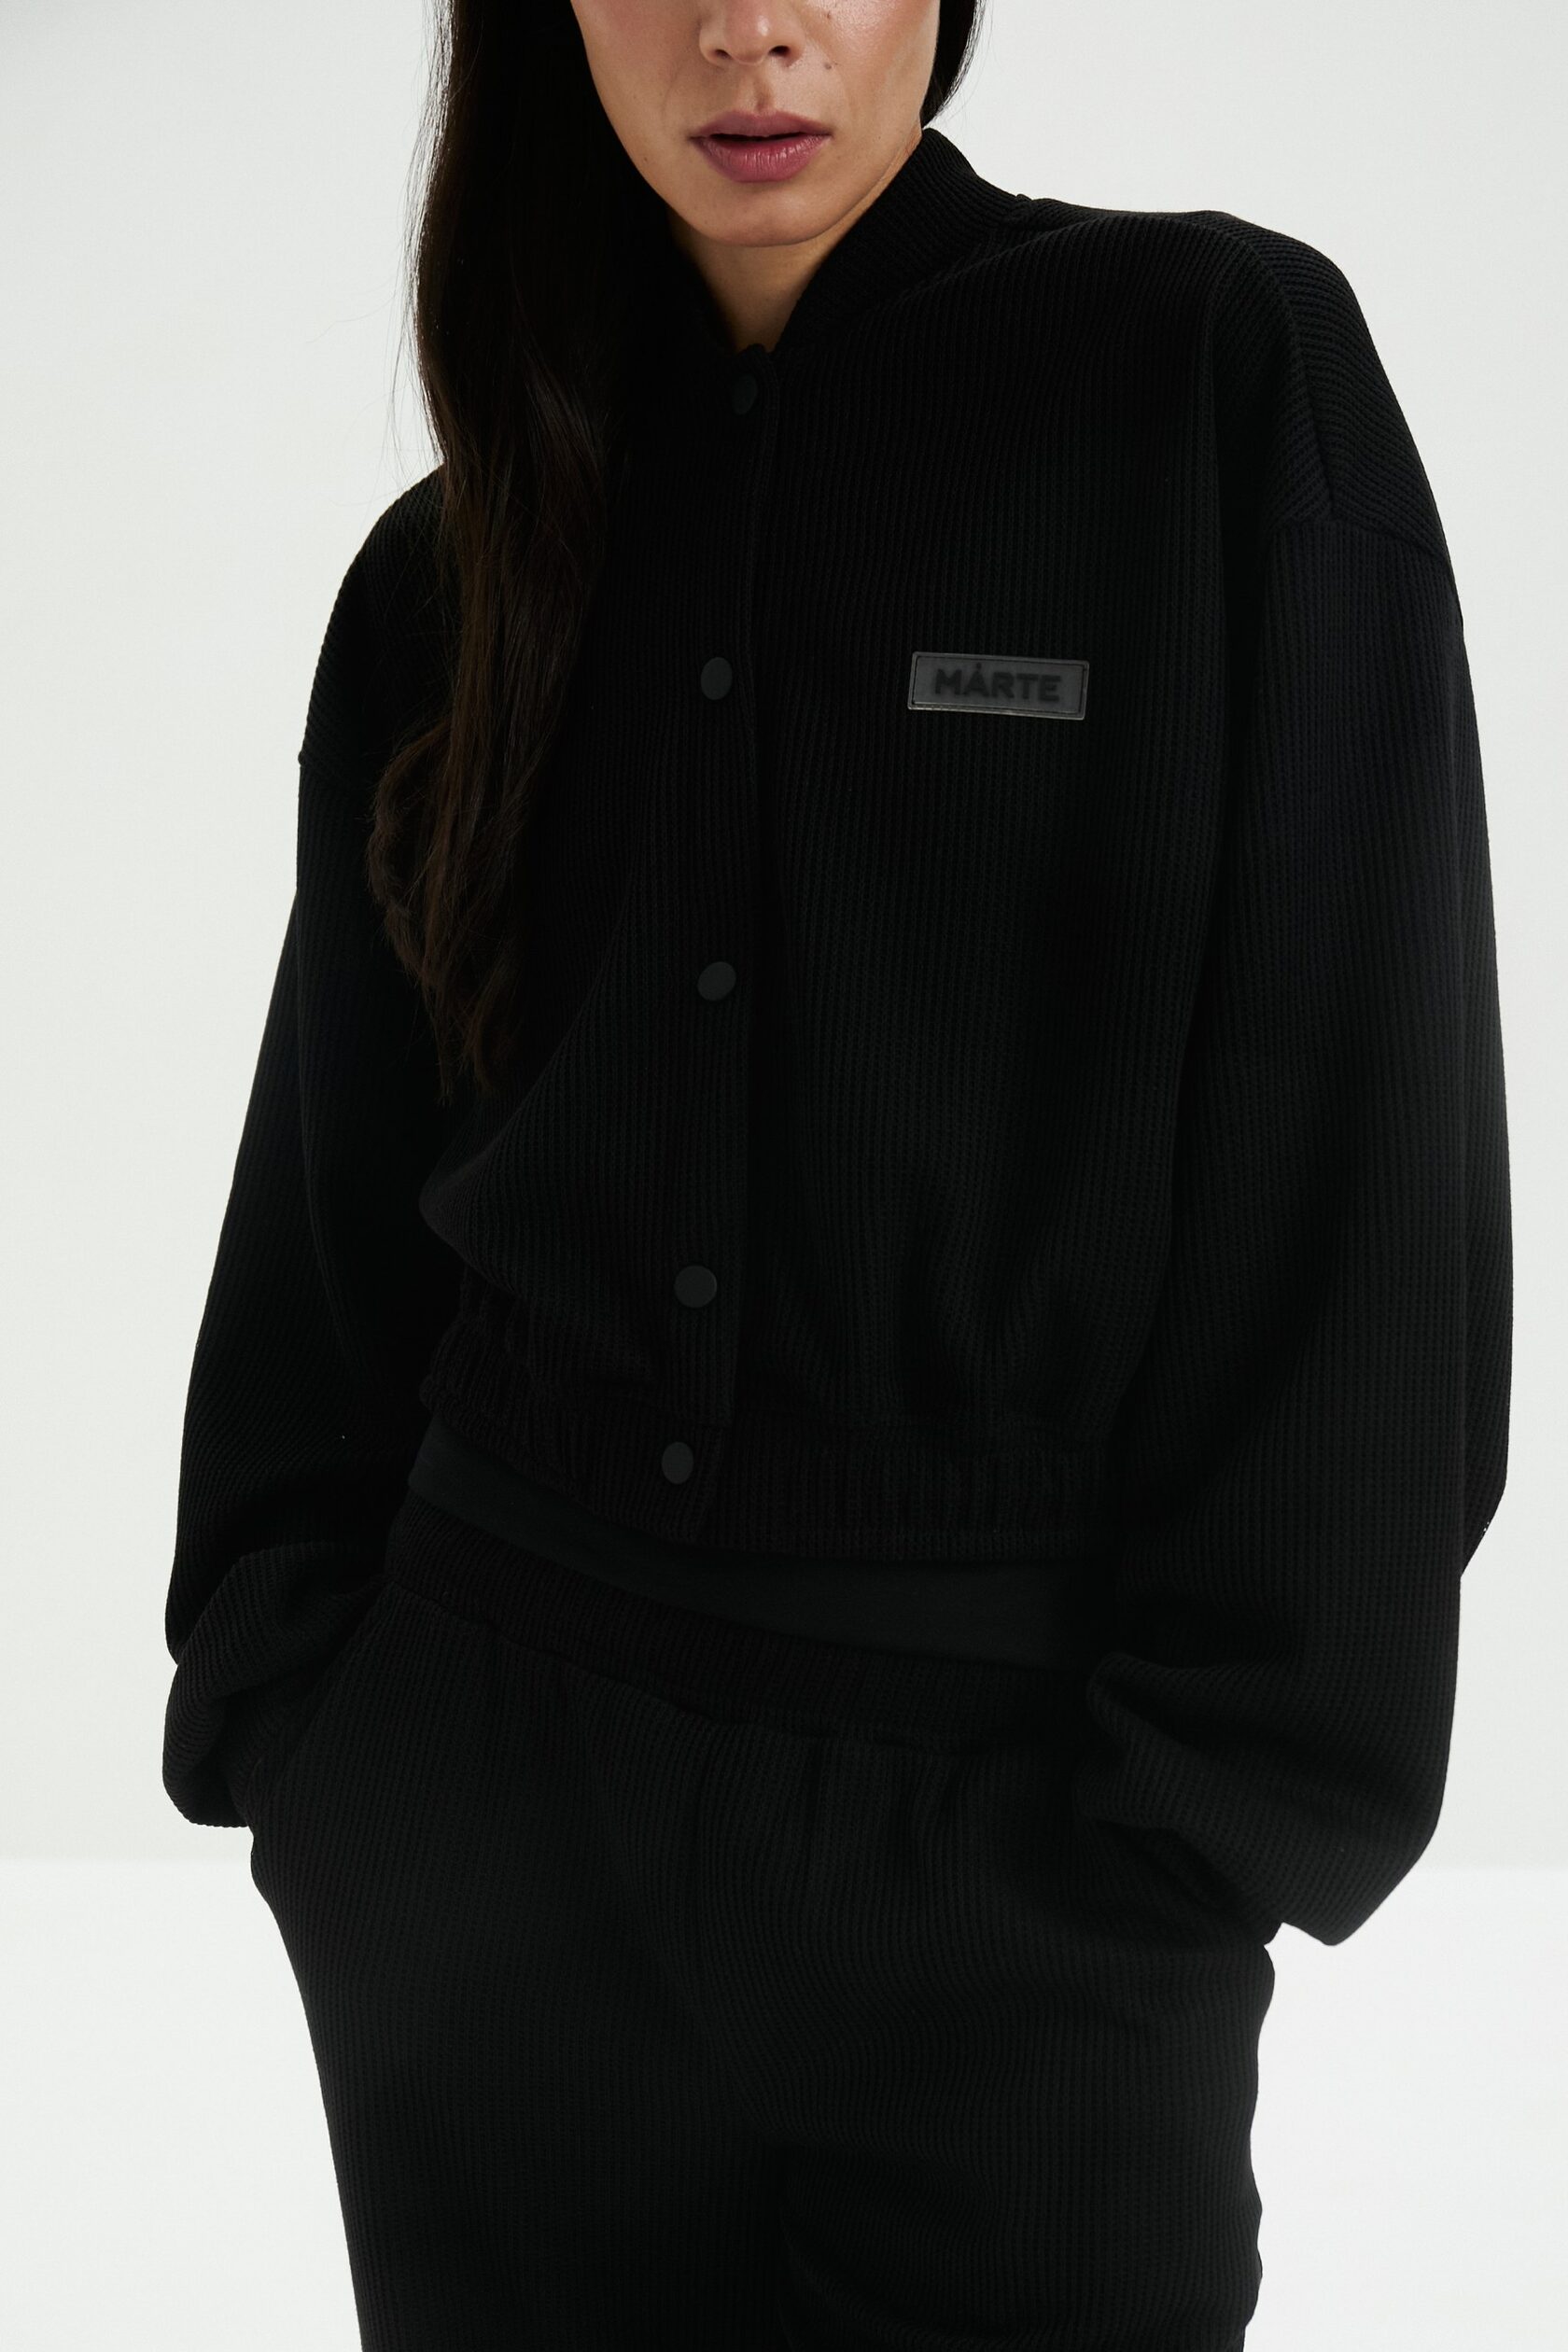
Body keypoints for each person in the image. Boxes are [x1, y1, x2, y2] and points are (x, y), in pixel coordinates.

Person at [160, 4, 1512, 2347]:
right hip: (486, 1835)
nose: (748, 27)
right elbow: (332, 1195)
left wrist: (1206, 1829)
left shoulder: (1207, 382)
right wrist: (316, 1741)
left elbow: (1364, 1122)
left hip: (1021, 1867)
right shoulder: (454, 568)